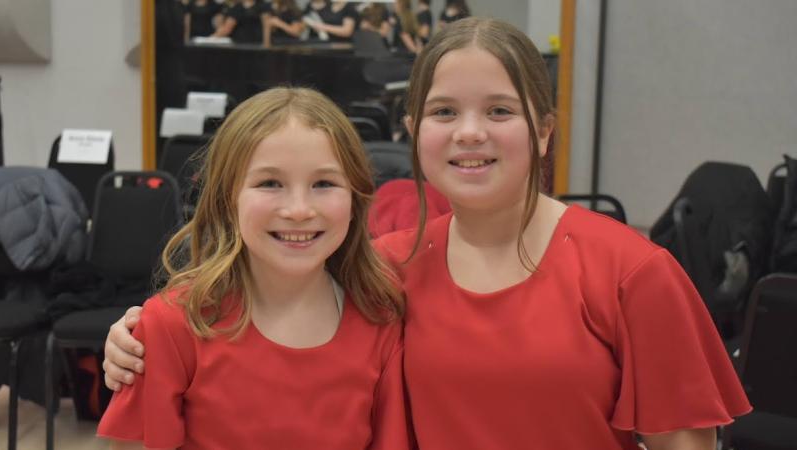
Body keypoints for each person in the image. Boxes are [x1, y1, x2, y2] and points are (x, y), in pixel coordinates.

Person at [103, 18, 751, 450]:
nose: (470, 133)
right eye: (445, 112)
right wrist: (139, 335)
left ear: (545, 130)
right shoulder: (385, 268)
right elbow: (268, 305)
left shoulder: (632, 273)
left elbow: (687, 444)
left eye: (499, 111)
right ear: (415, 131)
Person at [96, 87, 409, 450]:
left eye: (323, 183)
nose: (298, 210)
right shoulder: (172, 325)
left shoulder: (380, 322)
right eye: (270, 183)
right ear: (228, 198)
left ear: (355, 198)